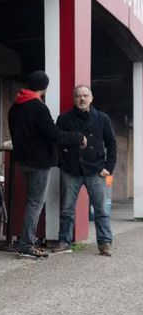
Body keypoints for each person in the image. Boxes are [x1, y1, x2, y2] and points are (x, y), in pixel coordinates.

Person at [8, 70, 87, 259]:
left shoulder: (15, 107)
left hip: (23, 160)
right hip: (38, 162)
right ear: (44, 88)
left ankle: (26, 240)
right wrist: (78, 137)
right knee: (35, 203)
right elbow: (55, 134)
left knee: (32, 202)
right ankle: (26, 244)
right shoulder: (38, 107)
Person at [53, 85, 117, 256]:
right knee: (66, 209)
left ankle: (104, 243)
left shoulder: (102, 118)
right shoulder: (64, 119)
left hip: (95, 170)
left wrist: (108, 168)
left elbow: (111, 143)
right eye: (78, 96)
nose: (82, 99)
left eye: (85, 95)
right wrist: (61, 163)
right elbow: (57, 141)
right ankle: (64, 242)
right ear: (73, 98)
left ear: (91, 98)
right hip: (71, 169)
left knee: (101, 210)